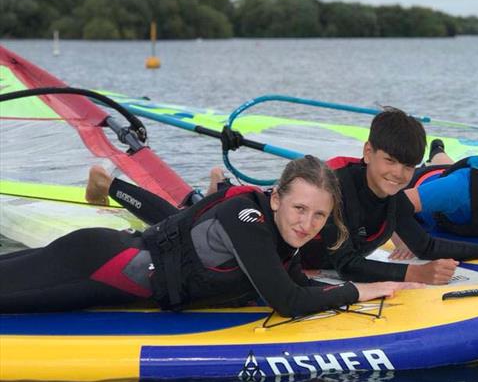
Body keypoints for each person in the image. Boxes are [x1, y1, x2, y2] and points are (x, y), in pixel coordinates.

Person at [0, 156, 419, 314]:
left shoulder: (284, 240)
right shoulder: (249, 221)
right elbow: (288, 301)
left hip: (109, 263)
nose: (307, 223)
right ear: (276, 200)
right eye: (299, 209)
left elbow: (299, 283)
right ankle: (109, 183)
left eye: (318, 215)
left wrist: (361, 287)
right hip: (95, 263)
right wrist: (359, 291)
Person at [298, 109, 478, 284]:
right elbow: (347, 266)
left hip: (320, 267)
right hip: (277, 260)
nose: (398, 174)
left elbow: (425, 246)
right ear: (368, 152)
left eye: (408, 166)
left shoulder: (393, 197)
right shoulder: (333, 187)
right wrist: (416, 273)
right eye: (390, 160)